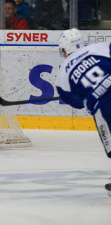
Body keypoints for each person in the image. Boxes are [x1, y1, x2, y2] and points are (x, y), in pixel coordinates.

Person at [56, 28, 111, 188]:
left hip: (104, 106)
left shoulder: (62, 75)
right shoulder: (100, 47)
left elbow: (77, 103)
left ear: (64, 50)